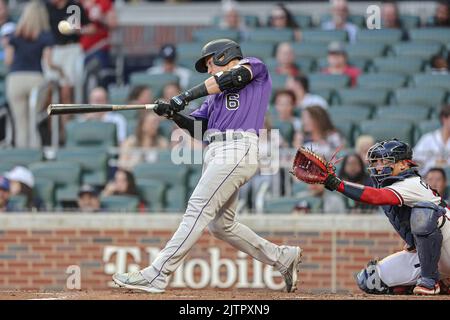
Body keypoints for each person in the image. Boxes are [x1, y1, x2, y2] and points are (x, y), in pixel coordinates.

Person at [112, 38, 302, 293]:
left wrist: (185, 96)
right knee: (221, 225)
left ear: (225, 56)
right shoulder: (213, 99)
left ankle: (157, 273)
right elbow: (199, 130)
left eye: (211, 64)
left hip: (238, 147)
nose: (210, 70)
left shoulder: (253, 67)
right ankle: (282, 257)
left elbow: (231, 78)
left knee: (197, 209)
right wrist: (173, 114)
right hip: (216, 151)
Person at [300, 138, 450, 295]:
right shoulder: (393, 184)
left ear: (403, 164)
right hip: (434, 256)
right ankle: (442, 282)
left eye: (385, 161)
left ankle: (430, 282)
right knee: (371, 280)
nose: (379, 167)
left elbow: (375, 197)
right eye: (377, 162)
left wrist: (336, 183)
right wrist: (415, 241)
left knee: (424, 212)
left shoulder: (411, 182)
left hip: (447, 247)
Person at [4, 1, 58, 148]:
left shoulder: (14, 36)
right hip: (35, 78)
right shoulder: (45, 36)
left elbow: (8, 61)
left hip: (15, 79)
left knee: (21, 124)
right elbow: (48, 63)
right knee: (33, 122)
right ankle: (34, 154)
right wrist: (61, 70)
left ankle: (23, 157)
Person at [45, 0, 95, 105]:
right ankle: (52, 121)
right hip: (53, 50)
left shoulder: (74, 7)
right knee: (49, 92)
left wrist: (78, 29)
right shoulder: (47, 8)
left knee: (66, 92)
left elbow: (91, 28)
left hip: (71, 49)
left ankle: (66, 121)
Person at [80, 0, 118, 88]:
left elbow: (114, 23)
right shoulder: (80, 3)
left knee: (100, 80)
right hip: (83, 51)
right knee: (83, 82)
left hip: (99, 49)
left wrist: (101, 17)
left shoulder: (104, 2)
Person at [414, 104, 450, 175]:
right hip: (428, 178)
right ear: (444, 119)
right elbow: (415, 162)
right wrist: (433, 163)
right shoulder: (428, 139)